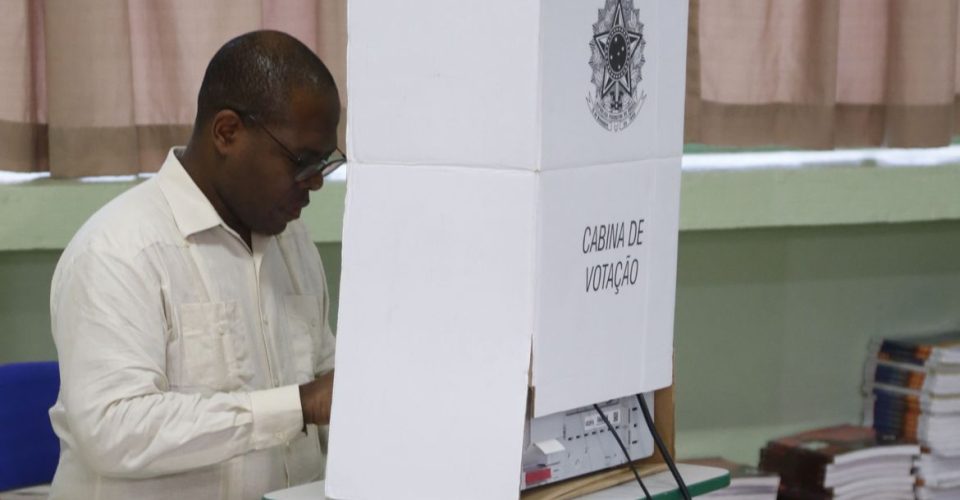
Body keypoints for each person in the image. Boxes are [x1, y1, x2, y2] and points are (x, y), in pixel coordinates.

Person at [47, 30, 342, 500]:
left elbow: (328, 383)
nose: (315, 183)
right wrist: (298, 406)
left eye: (324, 163)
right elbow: (114, 431)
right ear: (227, 132)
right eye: (303, 162)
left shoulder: (292, 241)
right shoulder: (119, 251)